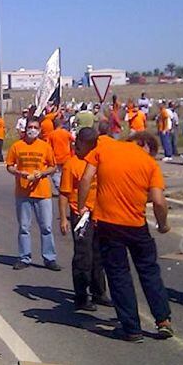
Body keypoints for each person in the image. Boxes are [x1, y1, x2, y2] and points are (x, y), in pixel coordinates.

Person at [78, 129, 173, 342]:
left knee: (119, 275)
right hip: (137, 226)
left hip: (109, 225)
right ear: (143, 144)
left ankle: (131, 328)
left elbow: (86, 178)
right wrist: (163, 225)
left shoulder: (104, 148)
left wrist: (83, 206)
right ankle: (163, 320)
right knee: (149, 272)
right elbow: (158, 201)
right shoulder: (150, 164)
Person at [58, 128, 109, 312]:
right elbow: (64, 194)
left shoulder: (98, 162)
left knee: (98, 255)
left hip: (100, 213)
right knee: (83, 256)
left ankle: (99, 292)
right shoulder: (72, 164)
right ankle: (81, 296)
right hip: (81, 216)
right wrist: (63, 218)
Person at [5, 117, 60, 271]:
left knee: (46, 227)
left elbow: (52, 167)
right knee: (24, 227)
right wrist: (19, 172)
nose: (32, 130)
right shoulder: (17, 146)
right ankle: (24, 257)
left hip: (42, 193)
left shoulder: (45, 147)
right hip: (23, 192)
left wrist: (42, 173)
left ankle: (49, 258)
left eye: (36, 127)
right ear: (25, 128)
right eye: (30, 127)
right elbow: (9, 165)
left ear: (40, 130)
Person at [47, 114, 73, 194]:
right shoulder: (66, 133)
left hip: (56, 157)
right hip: (66, 157)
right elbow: (73, 140)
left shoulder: (51, 135)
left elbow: (48, 147)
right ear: (61, 124)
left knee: (55, 174)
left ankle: (60, 188)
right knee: (64, 174)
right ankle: (65, 188)